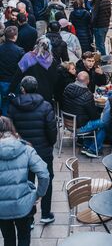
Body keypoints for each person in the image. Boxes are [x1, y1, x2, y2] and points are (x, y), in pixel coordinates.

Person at [8, 76, 57, 225]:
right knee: (46, 179)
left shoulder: (13, 107)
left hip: (23, 152)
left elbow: (11, 131)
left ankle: (28, 217)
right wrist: (50, 144)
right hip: (43, 151)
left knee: (26, 182)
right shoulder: (46, 106)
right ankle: (46, 213)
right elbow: (51, 130)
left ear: (22, 89)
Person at [0, 116, 49, 246]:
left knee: (8, 239)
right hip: (23, 204)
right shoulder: (26, 149)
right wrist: (38, 194)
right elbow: (44, 174)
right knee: (24, 237)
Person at [62, 71, 106, 158]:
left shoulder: (67, 88)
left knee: (86, 118)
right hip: (80, 127)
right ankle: (94, 149)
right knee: (104, 123)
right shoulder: (87, 94)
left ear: (76, 79)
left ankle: (86, 146)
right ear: (88, 81)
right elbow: (94, 116)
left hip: (68, 124)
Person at [10, 37, 57, 104]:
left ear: (36, 45)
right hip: (46, 95)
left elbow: (18, 75)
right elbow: (55, 79)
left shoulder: (27, 57)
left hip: (29, 94)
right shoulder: (52, 60)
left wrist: (11, 90)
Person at [0, 27, 25, 115]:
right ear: (15, 36)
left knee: (3, 105)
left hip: (1, 81)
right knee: (14, 105)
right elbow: (22, 70)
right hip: (14, 82)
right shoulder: (20, 51)